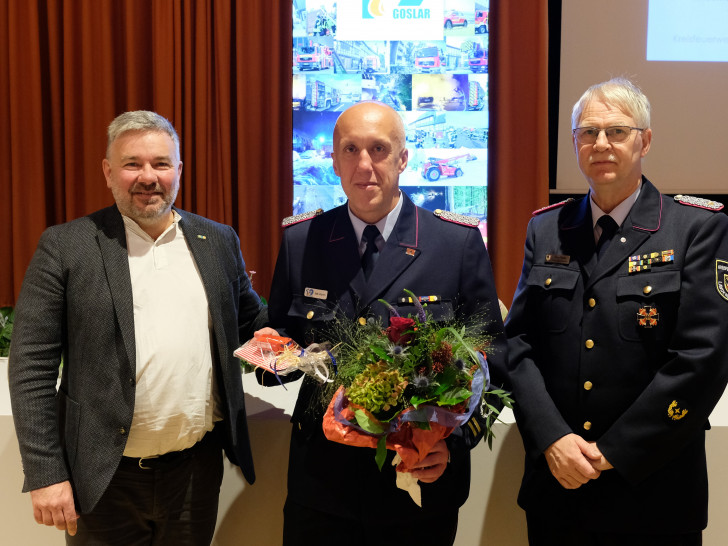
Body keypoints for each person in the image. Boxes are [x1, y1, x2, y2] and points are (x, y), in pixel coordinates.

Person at [8, 110, 267, 544]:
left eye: (161, 164)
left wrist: (302, 341)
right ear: (108, 172)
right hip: (103, 477)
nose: (148, 177)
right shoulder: (66, 246)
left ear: (179, 171)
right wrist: (46, 473)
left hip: (194, 473)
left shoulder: (217, 240)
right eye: (133, 164)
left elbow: (251, 327)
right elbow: (30, 367)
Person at [262, 101, 507, 545]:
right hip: (322, 485)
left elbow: (494, 360)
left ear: (403, 158)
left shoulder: (456, 243)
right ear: (333, 160)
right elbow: (283, 339)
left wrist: (451, 445)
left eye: (378, 148)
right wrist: (265, 355)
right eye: (350, 149)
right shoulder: (302, 242)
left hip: (417, 481)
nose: (364, 165)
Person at [505, 77, 728, 545]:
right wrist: (552, 438)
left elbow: (703, 358)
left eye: (617, 132)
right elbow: (517, 344)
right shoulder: (547, 229)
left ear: (645, 141)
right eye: (588, 132)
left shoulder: (696, 228)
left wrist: (613, 452)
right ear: (574, 143)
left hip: (655, 491)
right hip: (558, 487)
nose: (600, 144)